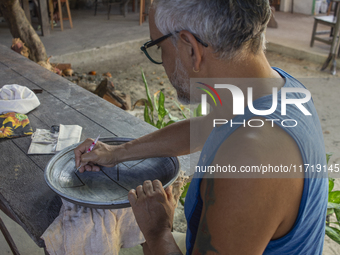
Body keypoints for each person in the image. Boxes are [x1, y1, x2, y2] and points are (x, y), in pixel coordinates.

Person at [74, 1, 328, 254]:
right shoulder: (275, 88)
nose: (161, 61)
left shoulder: (248, 160)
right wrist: (117, 152)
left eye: (158, 47)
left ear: (191, 48)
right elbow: (205, 129)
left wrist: (157, 232)